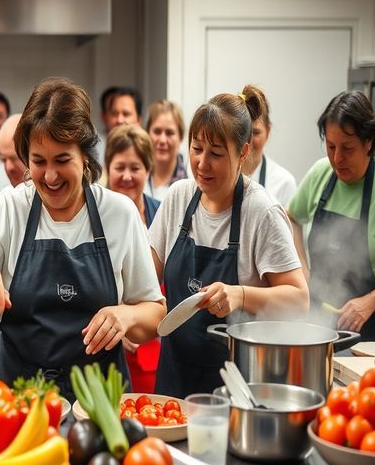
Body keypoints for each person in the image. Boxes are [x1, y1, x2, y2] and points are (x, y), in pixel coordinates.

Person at [0, 78, 164, 402]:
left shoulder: (119, 213)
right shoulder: (11, 207)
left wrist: (126, 315)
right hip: (16, 402)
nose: (50, 176)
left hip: (98, 404)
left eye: (62, 160)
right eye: (39, 161)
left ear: (85, 156)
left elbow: (154, 314)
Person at [148, 87, 309, 398]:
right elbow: (146, 278)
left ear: (243, 152)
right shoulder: (178, 198)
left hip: (234, 385)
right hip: (172, 380)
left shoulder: (261, 212)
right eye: (196, 149)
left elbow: (299, 299)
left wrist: (241, 295)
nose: (202, 164)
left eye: (216, 153)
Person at [287, 91, 375, 341]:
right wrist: (302, 269)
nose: (337, 158)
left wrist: (369, 301)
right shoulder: (321, 173)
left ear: (368, 141)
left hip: (370, 329)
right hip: (317, 321)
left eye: (347, 148)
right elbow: (291, 218)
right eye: (330, 147)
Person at [104, 124, 161, 393]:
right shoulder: (94, 215)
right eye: (119, 167)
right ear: (107, 168)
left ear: (148, 170)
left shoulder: (161, 215)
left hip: (154, 343)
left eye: (135, 168)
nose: (127, 176)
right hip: (106, 345)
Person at [239, 85, 297, 206]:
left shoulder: (284, 183)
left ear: (268, 131)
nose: (248, 141)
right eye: (244, 132)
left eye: (255, 133)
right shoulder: (220, 176)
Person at [144, 100, 188, 201]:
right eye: (157, 131)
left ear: (180, 137)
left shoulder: (191, 182)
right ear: (147, 133)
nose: (162, 140)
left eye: (169, 133)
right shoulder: (137, 176)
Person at [0, 113, 26, 188]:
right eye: (3, 160)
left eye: (14, 158)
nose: (9, 167)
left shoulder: (54, 195)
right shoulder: (3, 198)